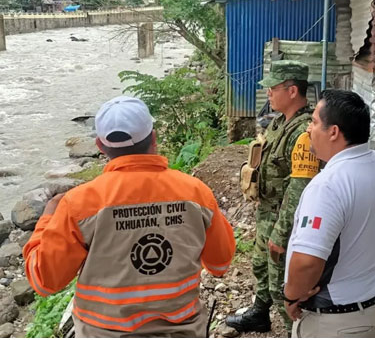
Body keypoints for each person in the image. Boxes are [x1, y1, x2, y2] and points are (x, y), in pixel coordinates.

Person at [23, 96, 236, 337]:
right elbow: (220, 264)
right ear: (154, 138)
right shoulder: (197, 194)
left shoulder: (79, 203)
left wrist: (47, 220)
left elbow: (44, 281)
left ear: (100, 147)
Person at [284, 90, 375, 337]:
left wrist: (292, 295)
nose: (308, 129)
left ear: (334, 132)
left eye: (314, 122)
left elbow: (306, 262)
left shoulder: (327, 185)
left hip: (340, 321)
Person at [226, 60, 320, 335]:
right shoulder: (279, 123)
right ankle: (259, 313)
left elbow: (299, 188)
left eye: (272, 88)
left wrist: (281, 233)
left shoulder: (303, 133)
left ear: (292, 91)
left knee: (283, 284)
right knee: (261, 267)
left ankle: (298, 331)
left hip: (284, 219)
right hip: (267, 211)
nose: (268, 93)